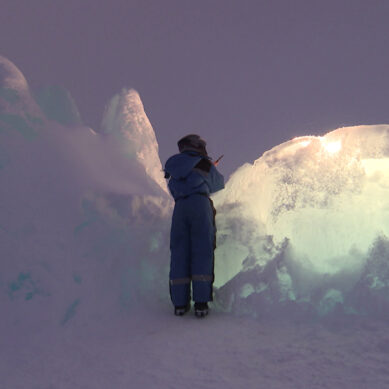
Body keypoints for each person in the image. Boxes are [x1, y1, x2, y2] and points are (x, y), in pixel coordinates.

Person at [164, 134, 224, 317]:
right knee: (202, 250)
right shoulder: (203, 163)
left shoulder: (173, 165)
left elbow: (176, 185)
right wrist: (209, 170)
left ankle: (180, 305)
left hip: (180, 208)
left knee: (180, 252)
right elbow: (218, 183)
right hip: (199, 205)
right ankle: (200, 303)